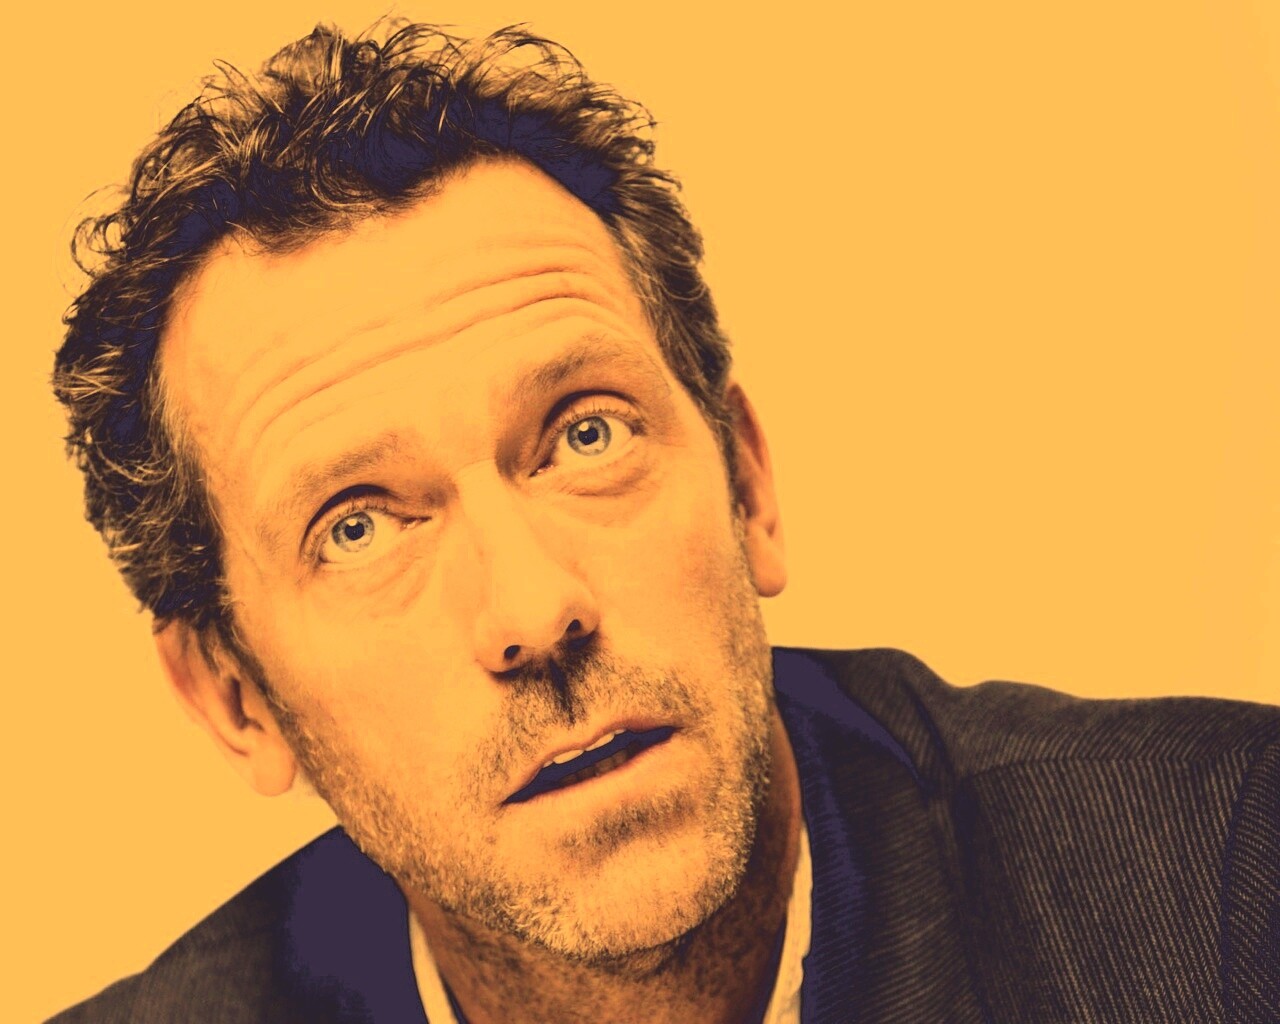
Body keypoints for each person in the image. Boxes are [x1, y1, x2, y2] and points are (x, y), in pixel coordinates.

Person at [48, 19, 1278, 1024]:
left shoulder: (1225, 891)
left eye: (586, 435)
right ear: (237, 699)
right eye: (358, 527)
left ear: (746, 485)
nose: (535, 610)